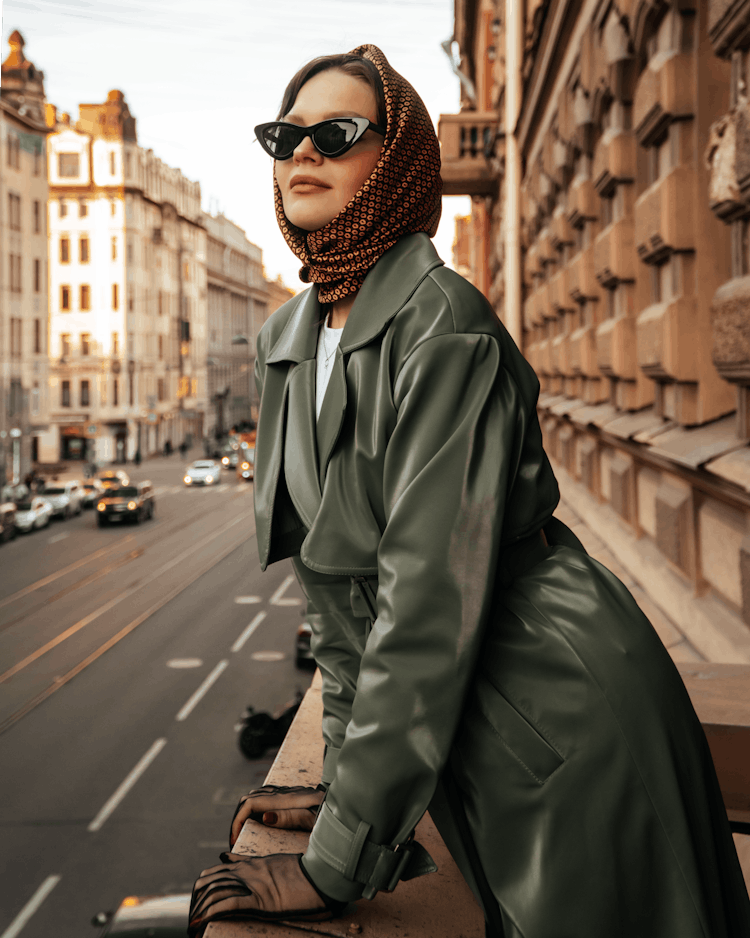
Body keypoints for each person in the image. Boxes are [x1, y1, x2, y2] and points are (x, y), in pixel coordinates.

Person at [188, 45, 750, 938]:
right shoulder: (285, 338)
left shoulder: (444, 325)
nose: (301, 154)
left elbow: (425, 609)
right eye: (283, 136)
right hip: (447, 732)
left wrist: (337, 866)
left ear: (399, 160)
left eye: (334, 134)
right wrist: (344, 799)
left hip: (555, 711)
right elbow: (337, 604)